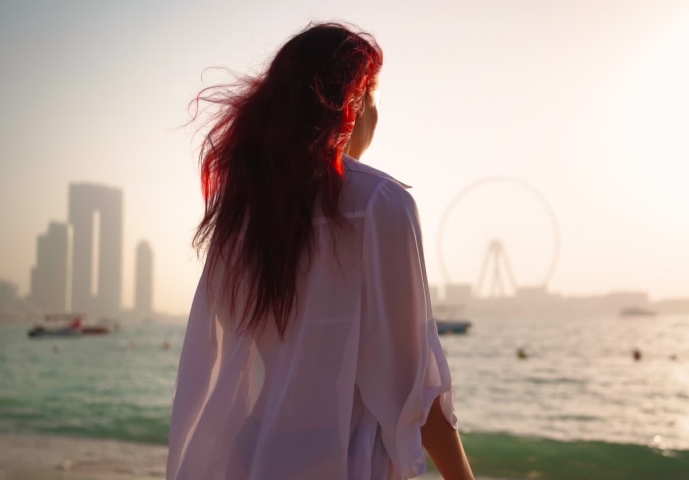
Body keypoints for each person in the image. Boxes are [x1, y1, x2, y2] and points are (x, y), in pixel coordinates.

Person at [166, 23, 473, 480]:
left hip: (254, 453)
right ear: (353, 102)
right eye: (374, 98)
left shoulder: (246, 211)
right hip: (342, 459)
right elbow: (414, 388)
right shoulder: (379, 203)